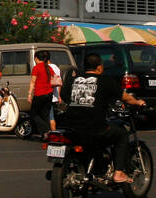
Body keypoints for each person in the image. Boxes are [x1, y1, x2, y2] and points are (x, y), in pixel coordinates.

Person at [60, 53, 145, 184]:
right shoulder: (106, 81)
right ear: (99, 67)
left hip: (71, 127)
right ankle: (119, 173)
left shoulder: (72, 80)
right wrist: (138, 102)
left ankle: (95, 166)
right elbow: (126, 97)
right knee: (121, 134)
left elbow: (65, 97)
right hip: (94, 128)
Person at [28, 49, 57, 139]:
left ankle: (46, 130)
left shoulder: (36, 68)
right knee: (45, 115)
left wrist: (29, 94)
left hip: (39, 94)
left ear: (36, 58)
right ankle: (45, 136)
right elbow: (53, 80)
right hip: (49, 94)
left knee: (33, 114)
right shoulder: (49, 67)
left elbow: (33, 82)